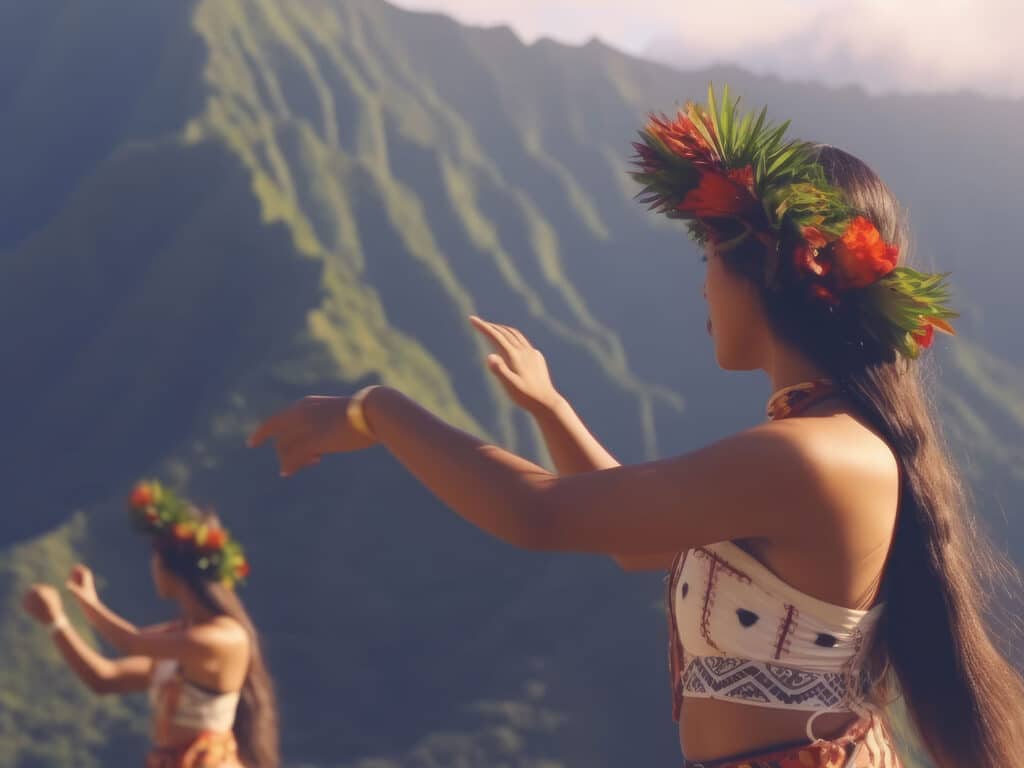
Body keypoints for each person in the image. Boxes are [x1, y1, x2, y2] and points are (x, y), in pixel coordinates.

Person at [248, 87, 1024, 767]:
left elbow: (537, 514)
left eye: (710, 258)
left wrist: (379, 408)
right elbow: (633, 538)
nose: (704, 289)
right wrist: (552, 409)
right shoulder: (822, 445)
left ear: (762, 273)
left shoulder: (811, 456)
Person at [22, 480, 278, 768]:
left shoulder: (225, 638)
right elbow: (104, 678)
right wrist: (57, 622)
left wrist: (87, 603)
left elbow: (131, 642)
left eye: (155, 558)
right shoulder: (181, 639)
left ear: (170, 567)